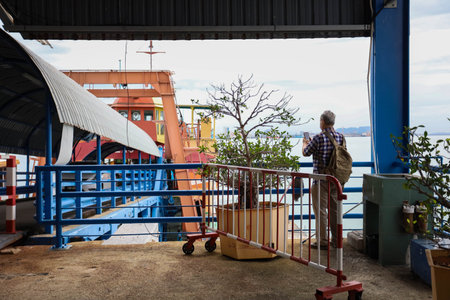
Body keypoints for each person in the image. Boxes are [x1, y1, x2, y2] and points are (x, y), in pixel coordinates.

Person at [302, 110, 345, 249]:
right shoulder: (341, 137)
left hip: (320, 180)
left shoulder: (319, 138)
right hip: (336, 180)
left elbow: (306, 153)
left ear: (323, 122)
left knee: (321, 211)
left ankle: (323, 242)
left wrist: (304, 143)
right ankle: (337, 241)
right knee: (334, 210)